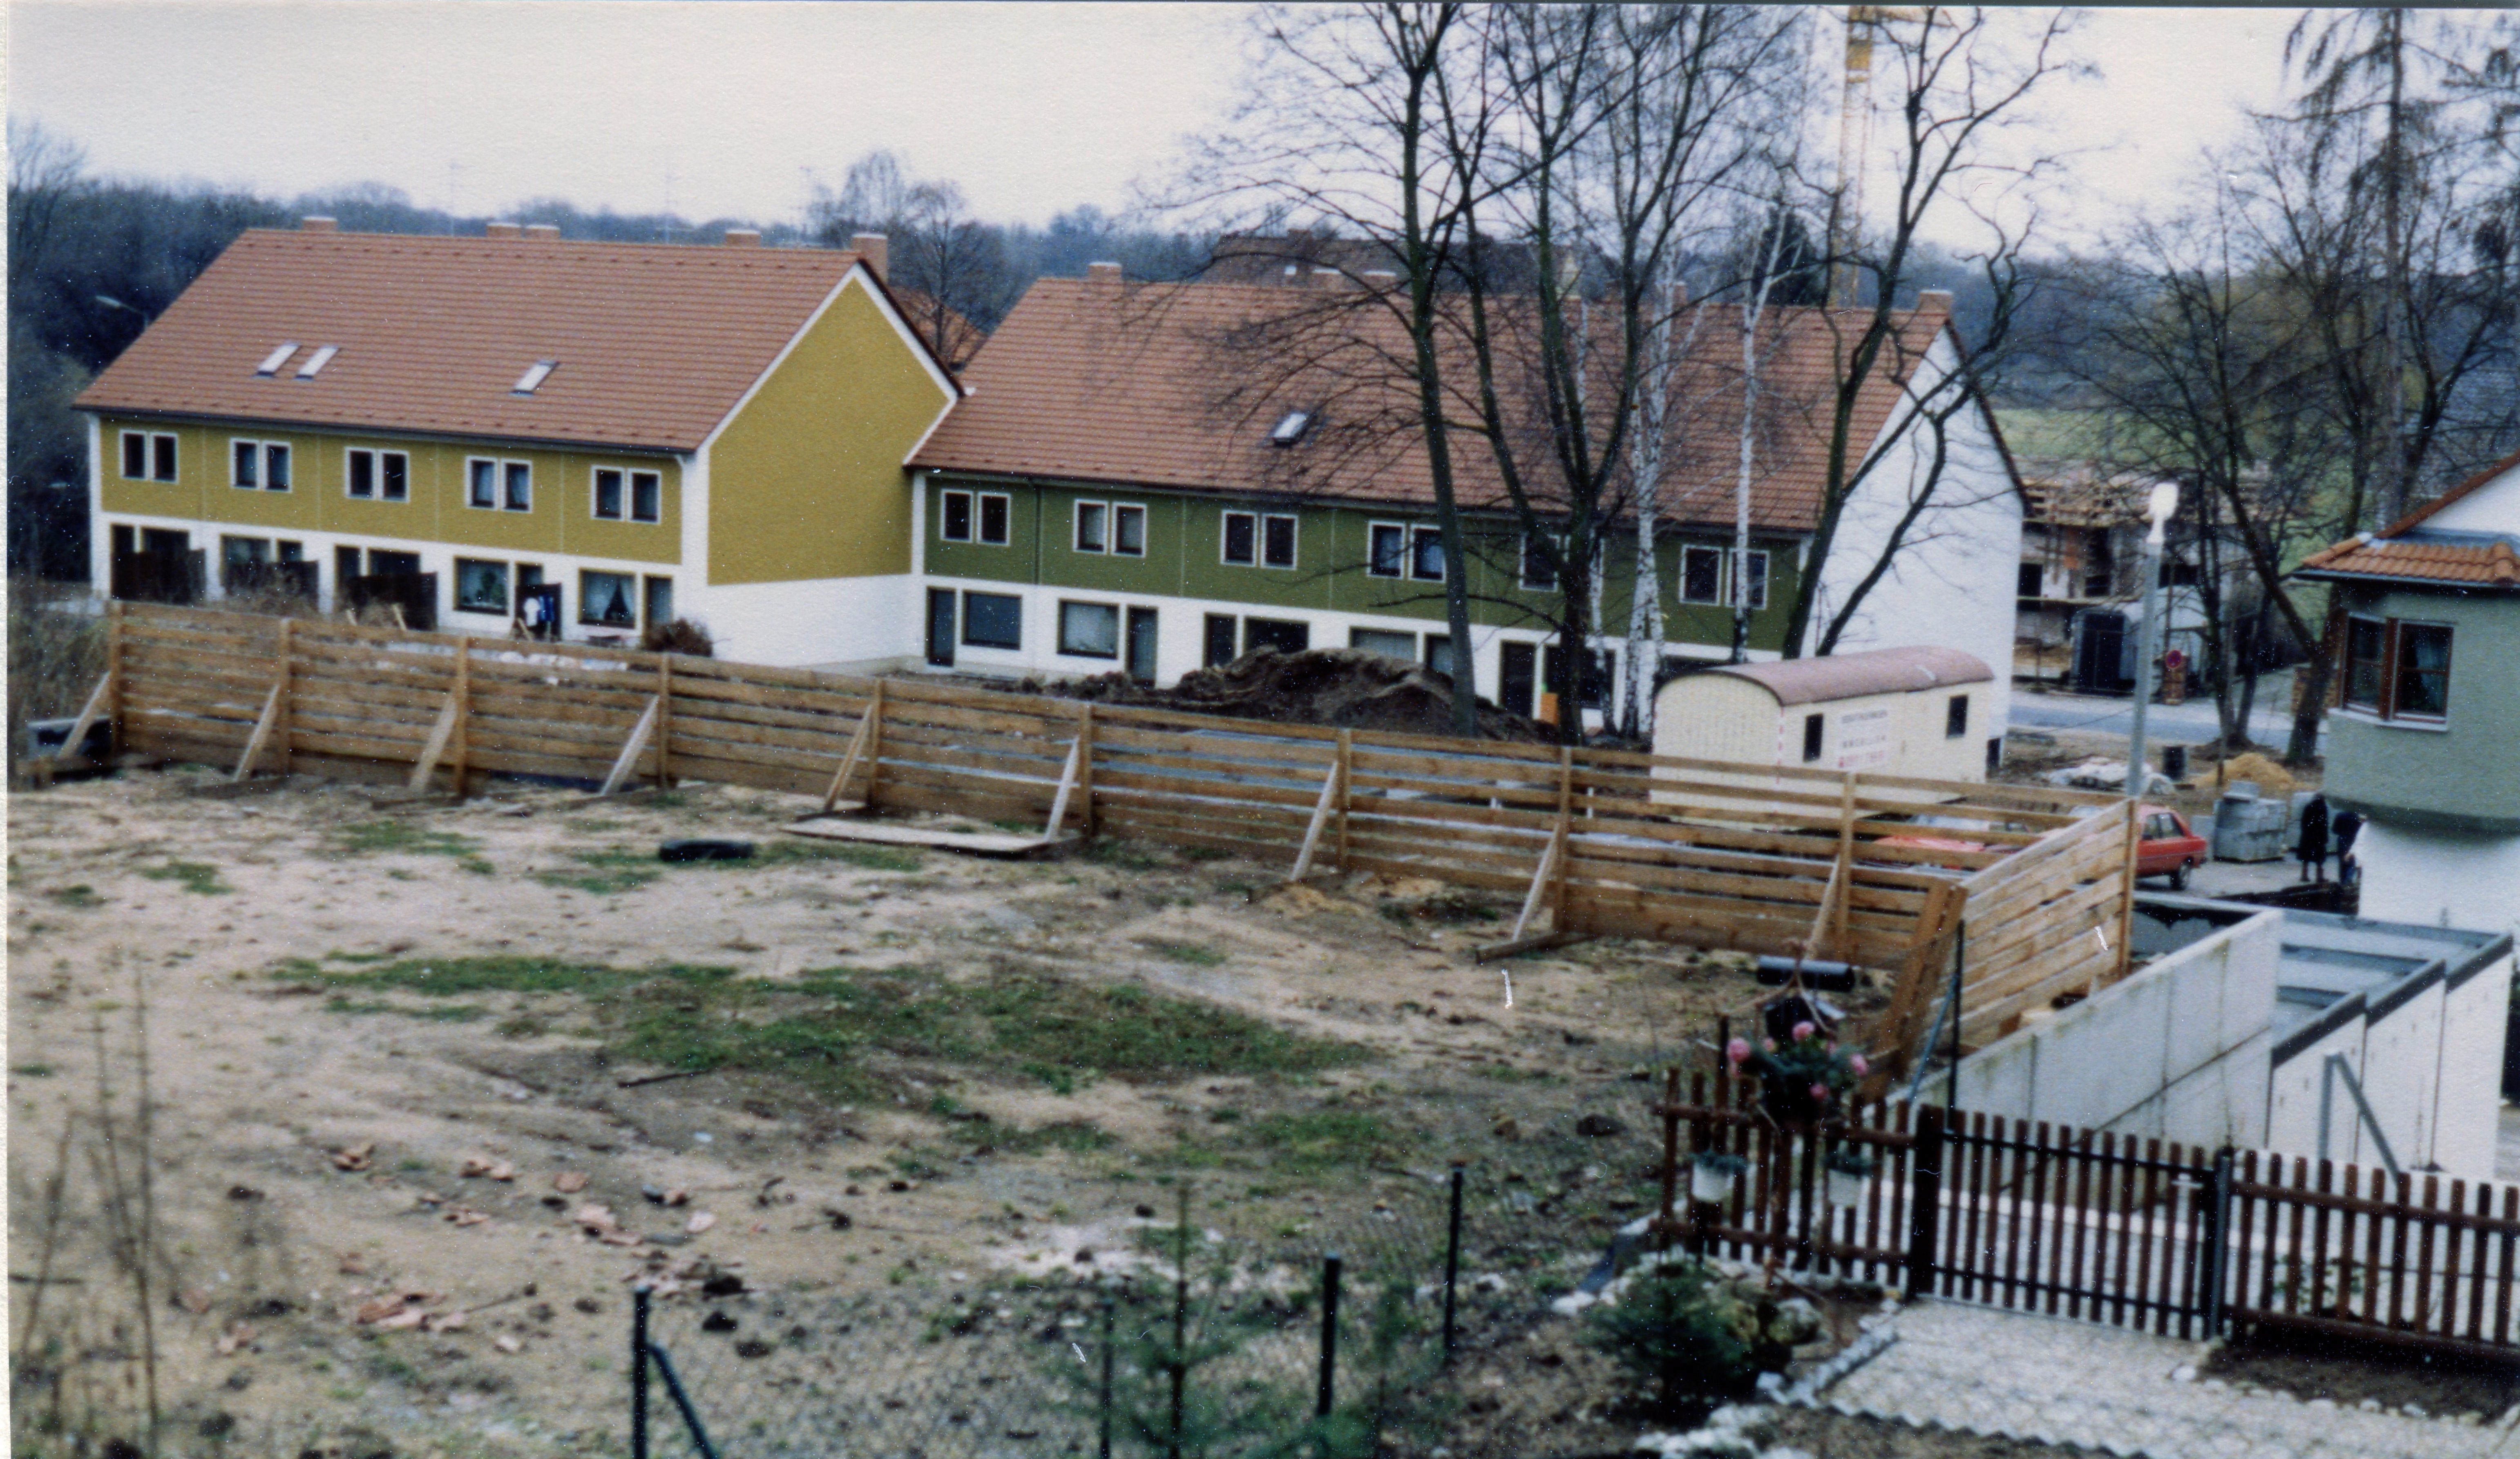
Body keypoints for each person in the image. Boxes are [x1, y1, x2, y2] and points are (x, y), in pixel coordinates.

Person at [2297, 793, 2331, 884]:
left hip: (2308, 835)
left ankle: (2304, 876)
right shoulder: (2323, 808)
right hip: (2319, 836)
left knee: (2306, 856)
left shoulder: (2308, 807)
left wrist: (2305, 832)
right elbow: (2324, 824)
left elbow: (2303, 821)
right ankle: (2319, 877)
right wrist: (2325, 837)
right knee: (2320, 857)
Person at [2335, 807, 2364, 888]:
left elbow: (2335, 830)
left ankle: (2342, 881)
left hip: (2342, 840)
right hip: (2353, 841)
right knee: (2352, 861)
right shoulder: (2357, 817)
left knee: (2342, 861)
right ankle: (2348, 880)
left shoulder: (2340, 816)